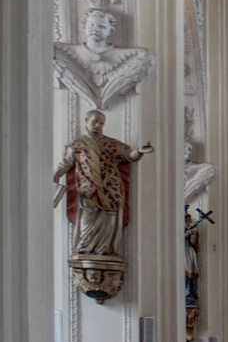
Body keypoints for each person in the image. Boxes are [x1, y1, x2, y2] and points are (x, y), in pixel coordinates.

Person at [53, 108, 153, 258]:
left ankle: (105, 247)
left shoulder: (111, 144)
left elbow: (128, 156)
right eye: (94, 121)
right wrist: (55, 176)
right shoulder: (77, 144)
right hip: (88, 188)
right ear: (86, 122)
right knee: (88, 217)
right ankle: (85, 247)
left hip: (110, 187)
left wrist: (140, 151)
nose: (98, 125)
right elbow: (66, 163)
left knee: (109, 217)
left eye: (101, 123)